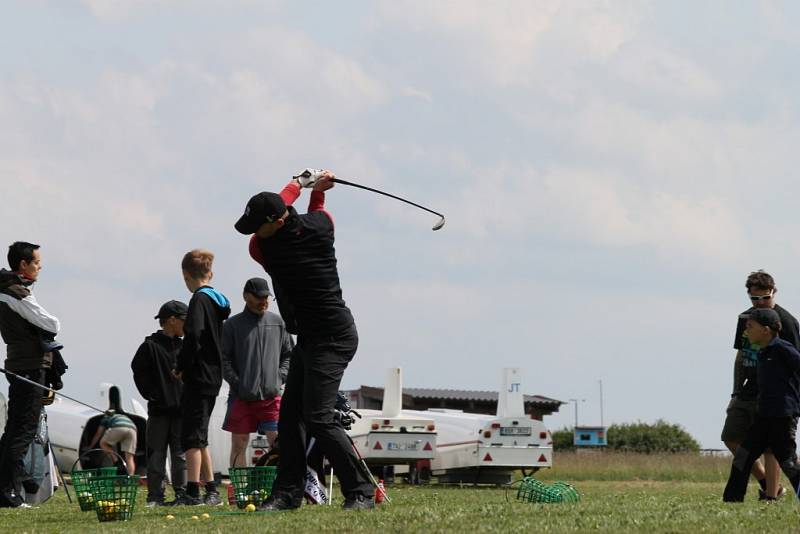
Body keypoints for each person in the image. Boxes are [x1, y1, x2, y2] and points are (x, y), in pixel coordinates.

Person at [234, 170, 375, 511]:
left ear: (276, 225)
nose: (253, 231)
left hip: (333, 338)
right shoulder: (321, 228)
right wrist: (316, 192)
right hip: (314, 335)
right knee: (290, 417)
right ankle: (287, 493)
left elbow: (284, 209)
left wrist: (298, 184)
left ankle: (361, 493)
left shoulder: (265, 249)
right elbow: (316, 214)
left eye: (258, 224)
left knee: (319, 417)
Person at [722, 270, 800, 499]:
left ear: (773, 292)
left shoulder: (787, 325)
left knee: (782, 456)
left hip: (781, 406)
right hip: (754, 396)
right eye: (754, 299)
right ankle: (737, 498)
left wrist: (793, 400)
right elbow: (740, 355)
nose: (760, 303)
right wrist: (737, 390)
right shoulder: (747, 320)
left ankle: (772, 495)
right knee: (737, 444)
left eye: (765, 298)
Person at [0, 241, 61, 508]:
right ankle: (9, 494)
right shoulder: (15, 291)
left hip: (20, 364)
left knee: (14, 429)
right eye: (36, 263)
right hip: (29, 366)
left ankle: (5, 490)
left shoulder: (10, 288)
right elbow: (51, 323)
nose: (39, 268)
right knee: (22, 431)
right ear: (23, 264)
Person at [170, 250, 230, 506]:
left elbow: (193, 336)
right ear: (210, 274)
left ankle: (193, 492)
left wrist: (181, 366)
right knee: (201, 435)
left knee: (192, 437)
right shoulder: (217, 302)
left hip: (199, 374)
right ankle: (212, 490)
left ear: (185, 276)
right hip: (214, 375)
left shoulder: (198, 301)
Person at [222, 278, 293, 467]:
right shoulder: (231, 325)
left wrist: (279, 378)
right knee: (239, 444)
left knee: (278, 443)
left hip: (272, 396)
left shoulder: (278, 323)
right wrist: (238, 383)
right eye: (259, 297)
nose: (264, 301)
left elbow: (289, 355)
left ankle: (278, 491)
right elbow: (223, 359)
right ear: (246, 297)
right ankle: (241, 492)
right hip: (241, 397)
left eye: (266, 297)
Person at [131, 300, 189, 506]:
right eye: (185, 320)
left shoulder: (186, 346)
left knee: (181, 455)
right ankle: (155, 496)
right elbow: (138, 371)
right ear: (172, 321)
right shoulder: (150, 347)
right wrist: (152, 395)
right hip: (158, 411)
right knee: (156, 455)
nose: (188, 324)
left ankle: (182, 494)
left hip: (182, 410)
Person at [88, 410, 138, 475]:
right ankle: (130, 479)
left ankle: (116, 460)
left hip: (119, 427)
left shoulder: (105, 418)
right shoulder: (121, 416)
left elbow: (98, 434)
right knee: (129, 458)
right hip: (133, 429)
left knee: (103, 443)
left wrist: (90, 447)